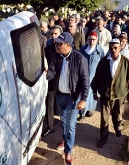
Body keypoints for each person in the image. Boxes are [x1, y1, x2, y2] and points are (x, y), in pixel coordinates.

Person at [45, 32, 89, 165]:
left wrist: (83, 99)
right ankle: (65, 140)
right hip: (60, 96)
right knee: (64, 122)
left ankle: (68, 151)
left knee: (70, 126)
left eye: (59, 44)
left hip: (73, 98)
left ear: (68, 45)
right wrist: (46, 73)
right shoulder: (55, 56)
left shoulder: (79, 58)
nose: (56, 45)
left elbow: (85, 80)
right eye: (56, 43)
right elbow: (52, 72)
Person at [91, 39, 129, 148]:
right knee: (104, 117)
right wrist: (94, 91)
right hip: (105, 94)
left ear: (120, 48)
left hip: (119, 94)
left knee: (117, 114)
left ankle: (117, 128)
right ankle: (103, 138)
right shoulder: (103, 61)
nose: (113, 50)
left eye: (115, 48)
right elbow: (97, 77)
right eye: (111, 48)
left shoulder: (126, 62)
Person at [78, 31, 105, 121]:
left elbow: (102, 64)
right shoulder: (82, 49)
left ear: (97, 40)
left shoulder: (100, 51)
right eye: (90, 39)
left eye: (94, 39)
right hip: (83, 76)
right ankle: (81, 113)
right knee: (83, 94)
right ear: (87, 40)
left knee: (92, 94)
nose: (92, 41)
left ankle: (88, 109)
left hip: (94, 77)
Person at [42, 26, 62, 137]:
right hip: (51, 79)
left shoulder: (65, 48)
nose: (53, 36)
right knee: (49, 103)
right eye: (52, 34)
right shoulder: (48, 48)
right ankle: (50, 126)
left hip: (63, 81)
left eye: (56, 34)